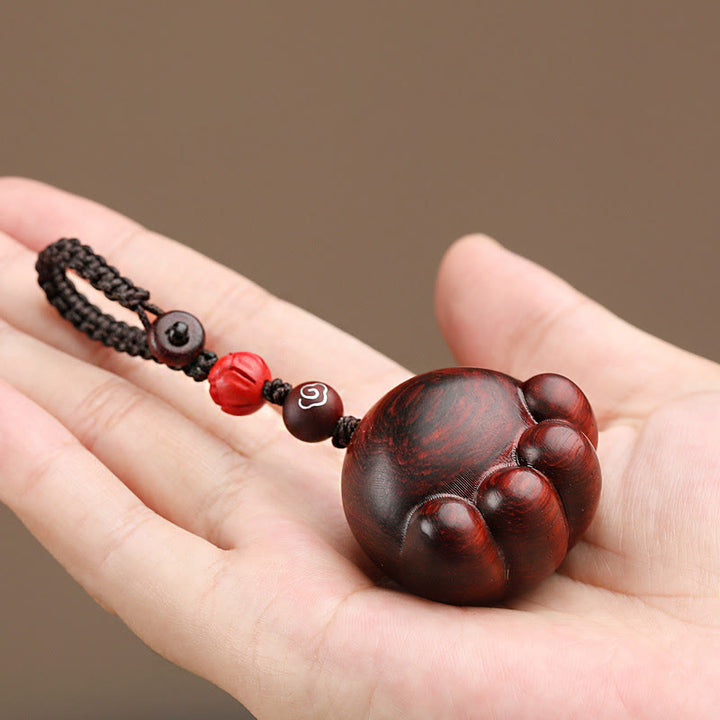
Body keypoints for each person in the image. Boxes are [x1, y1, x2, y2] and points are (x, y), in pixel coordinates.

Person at [0, 177, 717, 719]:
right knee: (475, 507)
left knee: (506, 484)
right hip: (438, 500)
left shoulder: (418, 435)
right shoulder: (378, 466)